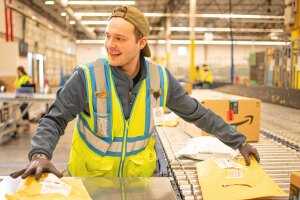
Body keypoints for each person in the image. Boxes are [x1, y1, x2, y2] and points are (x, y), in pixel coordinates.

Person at [10, 6, 259, 180]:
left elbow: (198, 114)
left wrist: (238, 141)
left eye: (119, 38)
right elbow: (54, 119)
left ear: (141, 43)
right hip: (89, 183)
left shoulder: (160, 79)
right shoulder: (87, 77)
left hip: (139, 184)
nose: (110, 45)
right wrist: (40, 154)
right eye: (108, 36)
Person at [14, 66, 31, 130]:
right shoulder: (18, 78)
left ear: (20, 70)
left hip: (25, 95)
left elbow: (27, 86)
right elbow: (15, 85)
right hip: (18, 95)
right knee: (21, 109)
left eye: (17, 70)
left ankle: (26, 124)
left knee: (25, 109)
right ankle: (24, 123)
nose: (17, 72)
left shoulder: (26, 77)